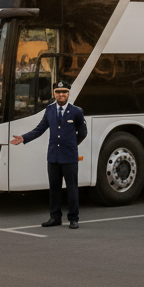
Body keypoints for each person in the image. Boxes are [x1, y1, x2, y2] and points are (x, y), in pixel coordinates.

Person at [10, 81, 88, 229]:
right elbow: (39, 129)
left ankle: (73, 218)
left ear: (68, 93)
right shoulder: (50, 110)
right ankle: (55, 217)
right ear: (54, 94)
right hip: (53, 157)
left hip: (69, 157)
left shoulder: (77, 111)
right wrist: (23, 138)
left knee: (72, 188)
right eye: (58, 92)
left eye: (64, 92)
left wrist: (72, 145)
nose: (61, 94)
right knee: (54, 188)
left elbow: (83, 132)